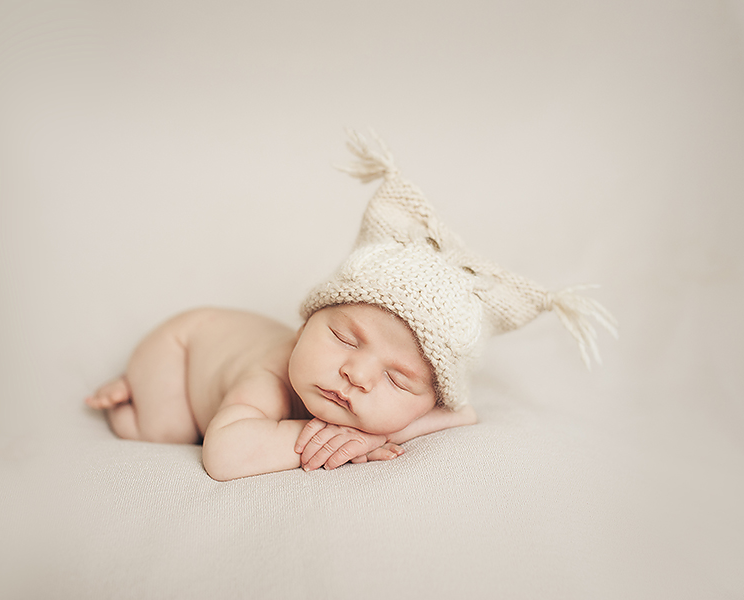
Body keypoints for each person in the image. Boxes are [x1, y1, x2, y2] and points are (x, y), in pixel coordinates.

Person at [85, 131, 617, 481]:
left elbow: (465, 413)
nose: (356, 373)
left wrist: (371, 429)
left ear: (428, 398)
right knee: (165, 428)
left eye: (400, 380)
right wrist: (329, 438)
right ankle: (132, 389)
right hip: (186, 346)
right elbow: (224, 456)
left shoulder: (420, 404)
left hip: (215, 342)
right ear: (309, 320)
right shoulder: (269, 376)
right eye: (343, 337)